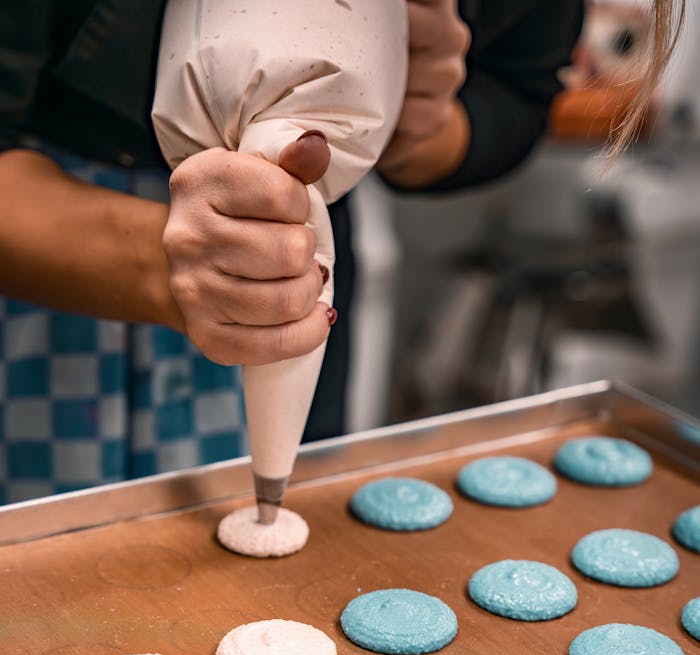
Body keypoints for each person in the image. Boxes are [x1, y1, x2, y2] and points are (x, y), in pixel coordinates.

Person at [0, 1, 680, 503]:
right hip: (53, 250)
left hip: (301, 257)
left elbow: (517, 89)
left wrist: (434, 128)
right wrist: (168, 264)